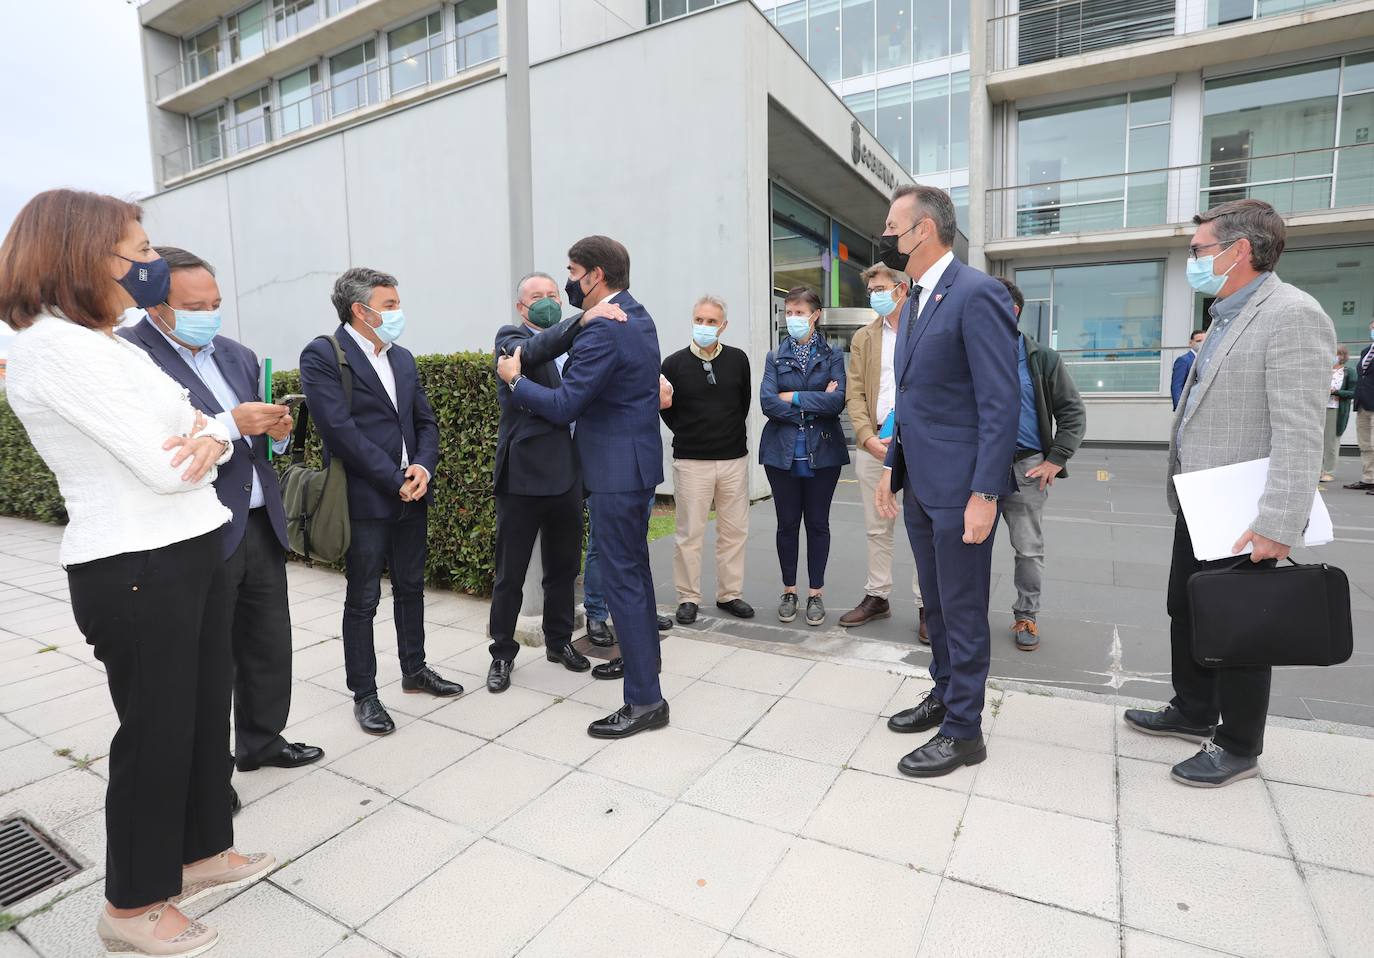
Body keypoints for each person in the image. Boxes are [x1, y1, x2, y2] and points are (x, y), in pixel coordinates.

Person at [0, 190, 274, 957]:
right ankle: (132, 903)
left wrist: (210, 438)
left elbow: (197, 424)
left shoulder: (110, 342)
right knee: (157, 731)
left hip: (190, 545)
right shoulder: (55, 349)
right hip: (135, 565)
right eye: (141, 251)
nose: (153, 263)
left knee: (202, 712)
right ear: (84, 256)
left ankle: (201, 850)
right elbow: (168, 463)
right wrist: (210, 442)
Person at [1124, 198, 1335, 788]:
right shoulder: (1225, 314)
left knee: (1239, 626)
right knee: (1187, 607)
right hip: (1201, 502)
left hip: (1246, 512)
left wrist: (1279, 522)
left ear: (1238, 251)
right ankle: (1194, 708)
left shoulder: (1293, 315)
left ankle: (1239, 745)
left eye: (1199, 250)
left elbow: (1300, 430)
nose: (1192, 260)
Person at [121, 246, 324, 794]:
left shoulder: (238, 354)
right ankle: (210, 773)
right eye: (194, 307)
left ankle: (262, 740)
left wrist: (276, 434)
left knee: (267, 642)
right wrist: (232, 423)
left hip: (259, 524)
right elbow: (160, 446)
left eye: (215, 303)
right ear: (156, 306)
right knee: (204, 659)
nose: (208, 315)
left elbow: (257, 442)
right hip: (194, 530)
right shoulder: (130, 357)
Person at [496, 236, 668, 739]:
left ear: (595, 275)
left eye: (572, 272)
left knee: (622, 579)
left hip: (615, 473)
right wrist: (582, 320)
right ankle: (643, 663)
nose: (568, 282)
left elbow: (565, 404)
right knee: (635, 573)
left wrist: (515, 380)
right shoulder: (634, 314)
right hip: (633, 466)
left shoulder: (605, 331)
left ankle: (645, 700)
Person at [874, 184, 1019, 778]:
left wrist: (985, 493)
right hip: (921, 483)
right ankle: (944, 692)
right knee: (934, 603)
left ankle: (964, 730)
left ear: (924, 230)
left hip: (962, 490)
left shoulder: (977, 294)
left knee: (962, 608)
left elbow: (1000, 402)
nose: (885, 236)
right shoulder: (913, 300)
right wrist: (892, 467)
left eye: (892, 226)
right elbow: (910, 398)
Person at [299, 268, 463, 736]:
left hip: (413, 491)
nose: (398, 312)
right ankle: (365, 694)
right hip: (364, 497)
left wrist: (423, 467)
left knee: (411, 587)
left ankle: (415, 670)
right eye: (390, 305)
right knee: (363, 598)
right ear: (360, 310)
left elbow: (425, 421)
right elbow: (340, 431)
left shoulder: (402, 357)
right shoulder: (324, 355)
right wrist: (394, 480)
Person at [486, 272, 629, 692]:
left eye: (553, 294)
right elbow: (532, 352)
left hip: (569, 474)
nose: (548, 300)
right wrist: (582, 319)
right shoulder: (511, 338)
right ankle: (501, 653)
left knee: (563, 568)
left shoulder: (576, 344)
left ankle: (559, 641)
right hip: (523, 476)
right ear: (521, 307)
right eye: (538, 296)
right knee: (510, 572)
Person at [993, 277, 1087, 652]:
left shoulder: (1042, 359)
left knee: (1028, 549)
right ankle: (965, 615)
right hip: (980, 468)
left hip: (1026, 468)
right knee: (969, 545)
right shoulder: (972, 357)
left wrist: (1054, 460)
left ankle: (1026, 615)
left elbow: (1072, 413)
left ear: (1011, 311)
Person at [839, 264, 925, 640]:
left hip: (919, 444)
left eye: (880, 288)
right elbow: (855, 392)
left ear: (901, 289)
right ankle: (878, 596)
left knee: (923, 527)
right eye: (871, 290)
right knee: (877, 527)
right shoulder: (864, 337)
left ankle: (928, 604)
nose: (874, 295)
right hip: (875, 444)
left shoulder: (925, 328)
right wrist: (865, 437)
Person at [660, 294, 754, 625]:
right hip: (691, 461)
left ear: (723, 326)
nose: (704, 326)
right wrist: (692, 433)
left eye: (711, 321)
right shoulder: (672, 364)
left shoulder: (738, 360)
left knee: (734, 531)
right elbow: (666, 410)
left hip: (733, 460)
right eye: (699, 320)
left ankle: (730, 594)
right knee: (690, 534)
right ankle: (688, 597)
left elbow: (743, 404)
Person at [759, 287, 849, 627]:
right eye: (789, 312)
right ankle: (789, 591)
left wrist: (793, 396)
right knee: (786, 524)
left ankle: (815, 593)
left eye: (799, 312)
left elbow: (836, 402)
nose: (792, 318)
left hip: (822, 451)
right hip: (781, 453)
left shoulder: (833, 355)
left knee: (817, 524)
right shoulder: (774, 357)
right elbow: (768, 402)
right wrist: (814, 401)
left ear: (816, 315)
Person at [1346, 318, 1374, 492]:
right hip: (1363, 404)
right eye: (1372, 328)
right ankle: (1368, 478)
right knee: (1365, 444)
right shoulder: (1365, 351)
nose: (1372, 331)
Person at [1321, 345, 1355, 483]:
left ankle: (1328, 471)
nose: (1335, 356)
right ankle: (1318, 470)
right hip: (1319, 408)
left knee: (1331, 442)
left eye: (1338, 354)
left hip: (1334, 408)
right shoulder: (1324, 370)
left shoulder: (1348, 371)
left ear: (1343, 356)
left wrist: (1336, 392)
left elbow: (1353, 392)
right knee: (1318, 442)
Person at [1171, 329, 1207, 410]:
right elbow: (1177, 386)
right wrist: (1180, 409)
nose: (1202, 343)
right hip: (1189, 406)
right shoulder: (1183, 360)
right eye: (1198, 341)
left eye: (1205, 341)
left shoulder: (1208, 359)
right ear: (1191, 343)